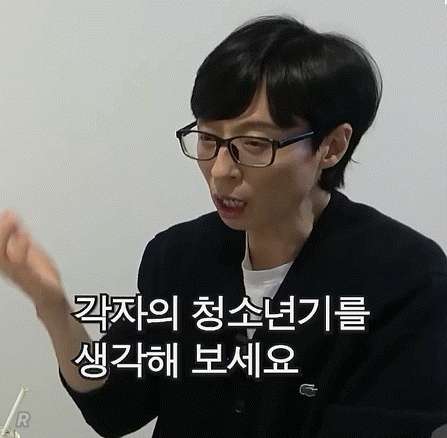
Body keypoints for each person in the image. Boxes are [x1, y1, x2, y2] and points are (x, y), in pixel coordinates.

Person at [0, 15, 446, 438]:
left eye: (253, 144)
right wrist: (53, 306)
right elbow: (115, 406)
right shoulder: (179, 257)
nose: (220, 171)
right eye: (208, 138)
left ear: (331, 146)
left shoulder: (406, 280)